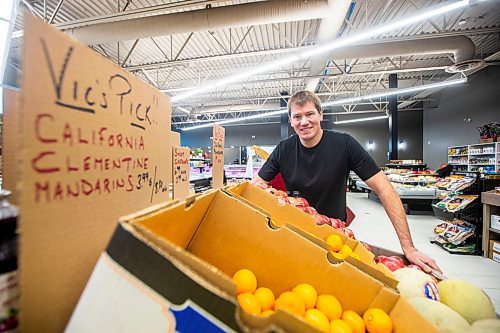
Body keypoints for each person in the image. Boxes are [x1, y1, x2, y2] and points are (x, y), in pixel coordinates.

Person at [252, 90, 441, 273]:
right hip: (296, 234)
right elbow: (255, 186)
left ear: (320, 115)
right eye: (297, 116)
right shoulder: (284, 149)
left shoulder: (344, 144)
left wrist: (408, 247)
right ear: (290, 121)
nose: (304, 122)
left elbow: (385, 189)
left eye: (310, 114)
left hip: (335, 237)